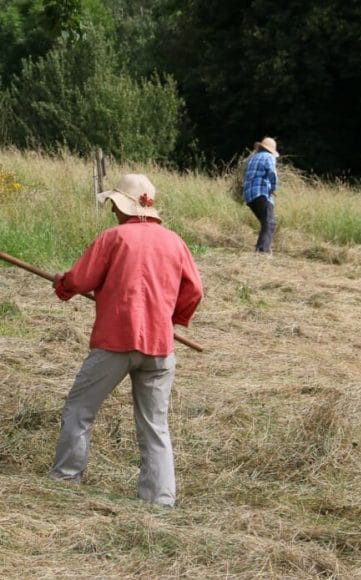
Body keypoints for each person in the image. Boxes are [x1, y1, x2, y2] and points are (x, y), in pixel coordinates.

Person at [48, 173, 204, 508]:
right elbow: (194, 291)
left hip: (115, 344)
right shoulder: (175, 242)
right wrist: (170, 319)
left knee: (80, 409)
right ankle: (160, 501)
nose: (112, 211)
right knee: (155, 425)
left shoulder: (114, 238)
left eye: (115, 204)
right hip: (160, 347)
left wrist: (63, 283)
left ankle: (65, 479)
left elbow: (81, 279)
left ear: (124, 206)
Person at [242, 137, 280, 253]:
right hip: (261, 194)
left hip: (249, 196)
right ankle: (262, 251)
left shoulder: (252, 158)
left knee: (266, 222)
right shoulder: (269, 157)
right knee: (270, 222)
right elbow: (272, 172)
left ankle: (263, 247)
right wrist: (273, 187)